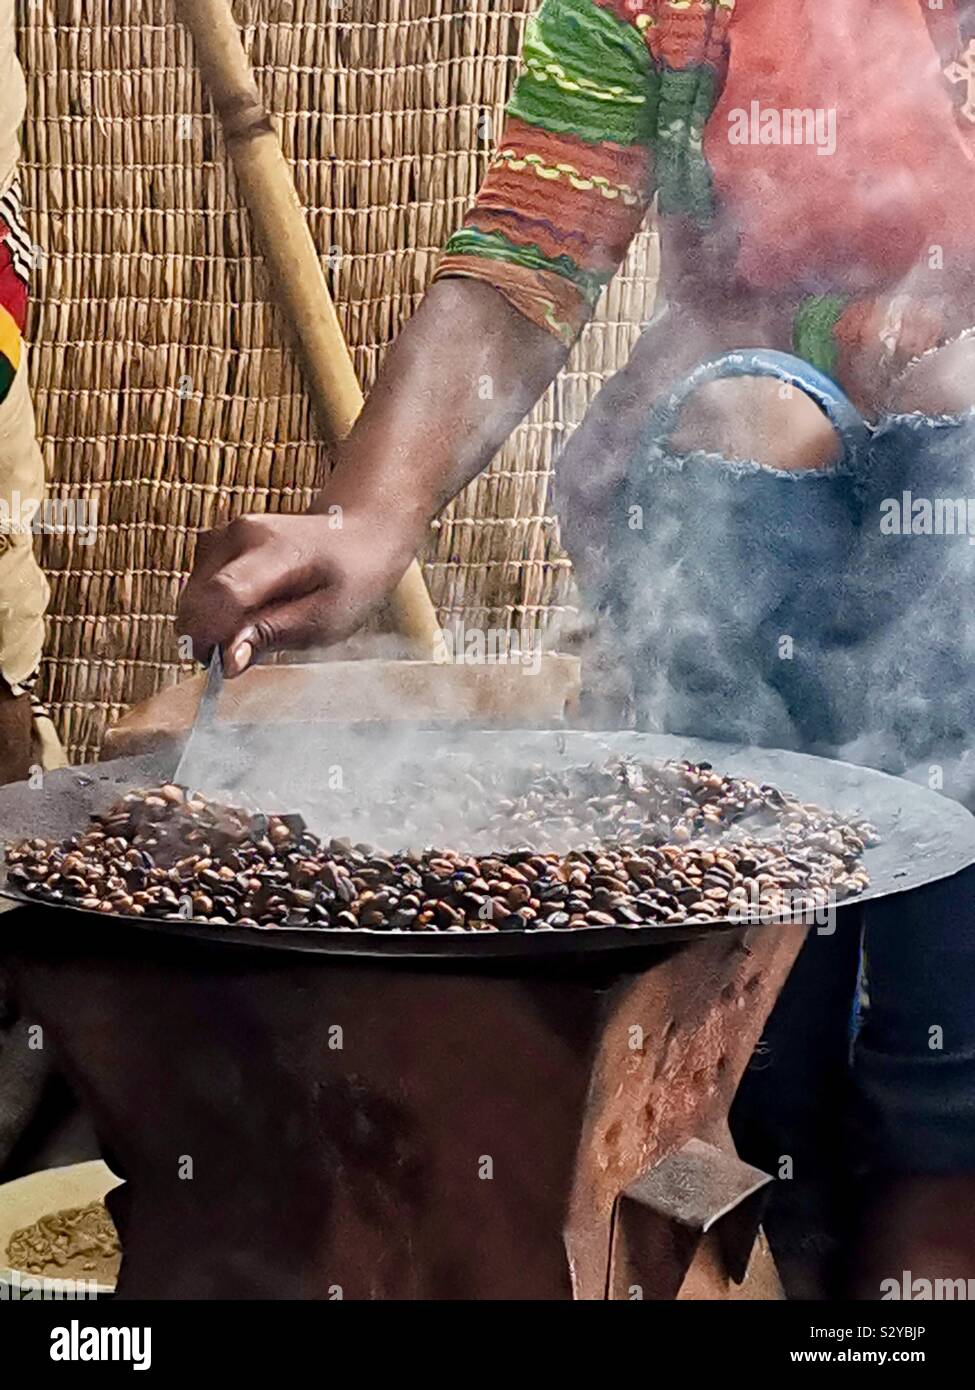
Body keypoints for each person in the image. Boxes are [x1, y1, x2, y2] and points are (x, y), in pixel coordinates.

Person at [180, 0, 975, 1294]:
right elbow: (526, 251)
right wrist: (371, 517)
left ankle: (939, 1166)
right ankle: (734, 1134)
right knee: (746, 424)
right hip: (744, 437)